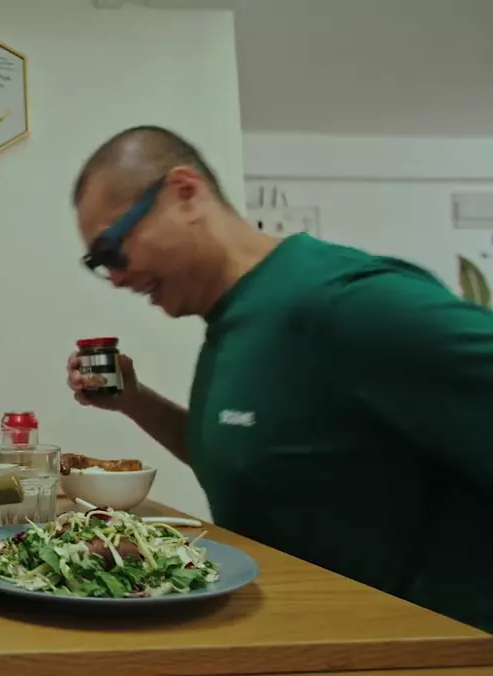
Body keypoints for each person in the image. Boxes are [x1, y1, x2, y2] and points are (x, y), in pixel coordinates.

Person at [65, 125, 492, 638]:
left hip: (413, 667)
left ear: (185, 193)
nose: (116, 278)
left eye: (113, 249)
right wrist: (136, 401)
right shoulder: (235, 319)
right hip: (300, 648)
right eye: (99, 264)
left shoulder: (345, 303)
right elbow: (253, 461)